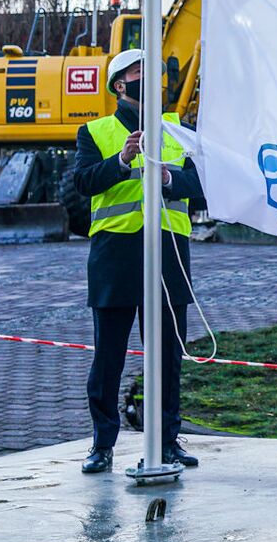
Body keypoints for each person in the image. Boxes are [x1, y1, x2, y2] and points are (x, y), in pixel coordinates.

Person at [71, 49, 203, 475]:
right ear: (119, 85)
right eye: (138, 73)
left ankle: (166, 441)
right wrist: (123, 160)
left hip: (168, 254)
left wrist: (167, 177)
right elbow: (83, 183)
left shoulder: (176, 129)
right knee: (108, 358)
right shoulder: (95, 131)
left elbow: (200, 187)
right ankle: (102, 444)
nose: (152, 79)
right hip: (116, 256)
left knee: (166, 356)